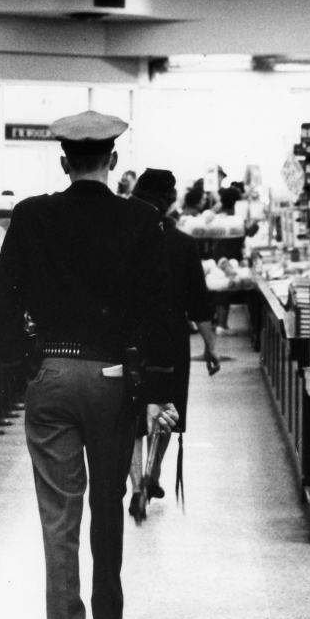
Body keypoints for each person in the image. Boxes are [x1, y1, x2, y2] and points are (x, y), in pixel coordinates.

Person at [0, 111, 179, 619]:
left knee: (58, 514)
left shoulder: (31, 215)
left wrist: (24, 362)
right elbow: (162, 310)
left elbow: (5, 298)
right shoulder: (143, 220)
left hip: (50, 372)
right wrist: (159, 391)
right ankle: (107, 613)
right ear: (114, 163)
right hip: (115, 376)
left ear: (66, 163)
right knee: (107, 498)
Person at [127, 169, 221, 515]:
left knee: (133, 413)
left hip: (129, 339)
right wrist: (211, 347)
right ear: (168, 201)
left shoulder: (122, 237)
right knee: (166, 409)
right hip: (170, 338)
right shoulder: (182, 243)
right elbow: (199, 302)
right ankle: (154, 472)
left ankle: (136, 482)